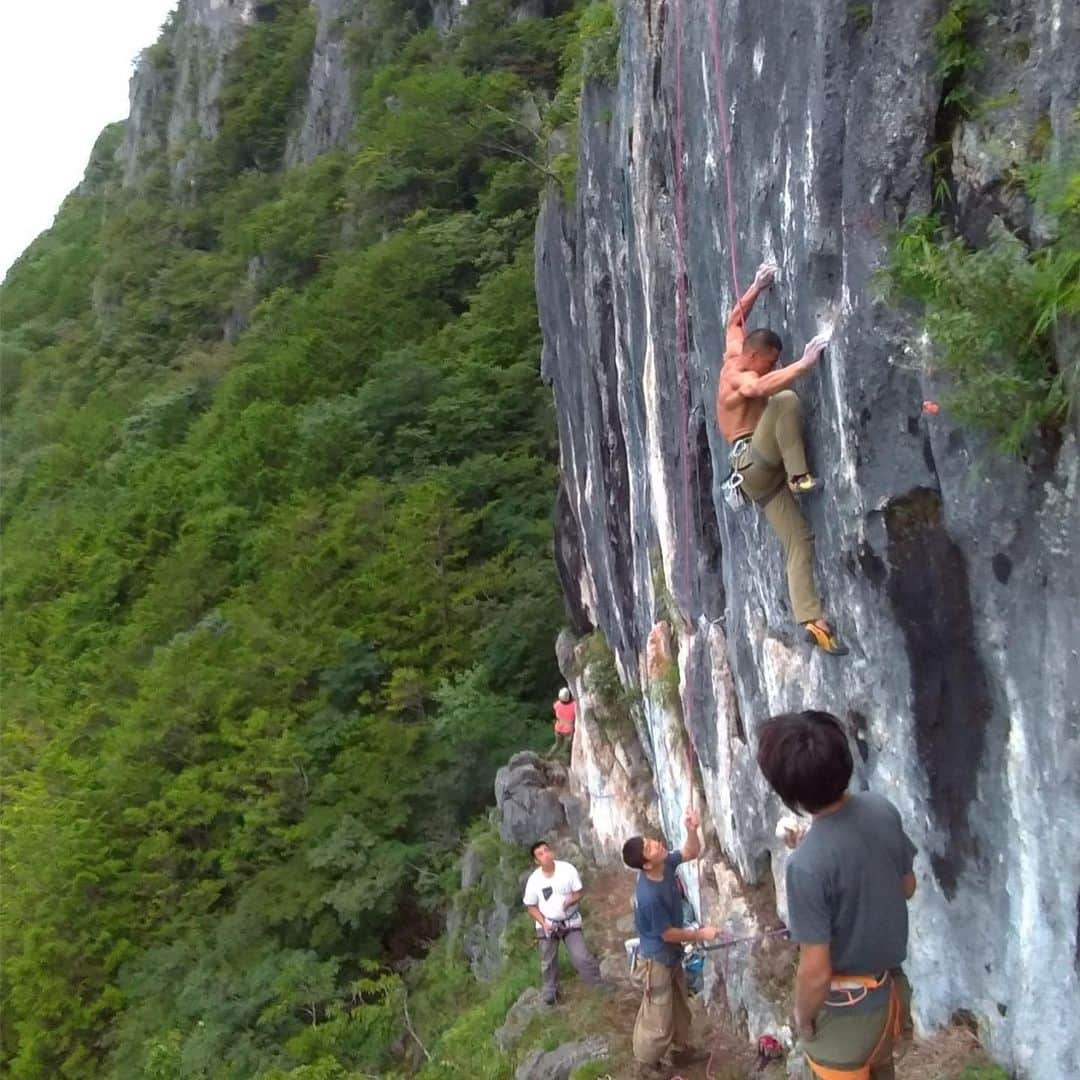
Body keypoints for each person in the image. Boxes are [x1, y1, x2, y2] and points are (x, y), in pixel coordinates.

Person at [755, 710, 917, 1080]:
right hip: (891, 999)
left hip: (847, 1019)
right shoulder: (881, 809)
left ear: (789, 793)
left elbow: (815, 971)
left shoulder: (806, 866)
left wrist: (802, 1016)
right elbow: (907, 887)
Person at [715, 261, 848, 655]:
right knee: (786, 398)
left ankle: (812, 620)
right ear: (756, 357)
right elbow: (763, 387)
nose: (772, 365)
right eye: (770, 360)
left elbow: (734, 320)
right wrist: (803, 365)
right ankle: (799, 476)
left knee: (798, 540)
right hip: (754, 463)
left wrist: (756, 285)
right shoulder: (739, 378)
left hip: (758, 476)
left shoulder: (736, 351)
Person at [621, 808, 718, 1078]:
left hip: (670, 955)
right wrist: (700, 934)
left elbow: (690, 851)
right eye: (650, 847)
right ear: (646, 863)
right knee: (658, 1015)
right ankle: (646, 1064)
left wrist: (691, 829)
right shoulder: (648, 895)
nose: (656, 843)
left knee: (678, 1005)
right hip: (657, 960)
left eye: (651, 841)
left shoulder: (664, 866)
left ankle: (681, 1049)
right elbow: (667, 934)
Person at [522, 841, 605, 1005]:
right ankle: (550, 991)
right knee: (547, 960)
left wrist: (570, 900)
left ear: (552, 852)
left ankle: (597, 985)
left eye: (546, 850)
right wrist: (543, 923)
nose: (545, 855)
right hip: (547, 923)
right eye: (540, 854)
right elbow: (531, 906)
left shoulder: (567, 870)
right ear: (536, 861)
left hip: (569, 921)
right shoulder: (534, 880)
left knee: (581, 956)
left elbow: (579, 892)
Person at [549, 687, 576, 759]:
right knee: (566, 749)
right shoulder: (574, 705)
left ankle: (549, 756)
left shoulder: (557, 704)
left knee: (557, 744)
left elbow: (554, 708)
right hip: (568, 730)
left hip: (558, 727)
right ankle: (565, 763)